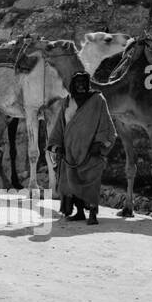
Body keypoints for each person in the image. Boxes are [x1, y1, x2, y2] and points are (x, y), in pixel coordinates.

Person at [47, 70, 116, 226]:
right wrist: (57, 146)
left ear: (87, 84)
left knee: (91, 183)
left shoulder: (98, 100)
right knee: (72, 183)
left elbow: (105, 123)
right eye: (77, 83)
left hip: (91, 150)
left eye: (83, 83)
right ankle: (79, 213)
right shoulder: (67, 101)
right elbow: (60, 125)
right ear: (73, 85)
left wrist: (99, 143)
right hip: (70, 152)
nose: (80, 86)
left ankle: (92, 214)